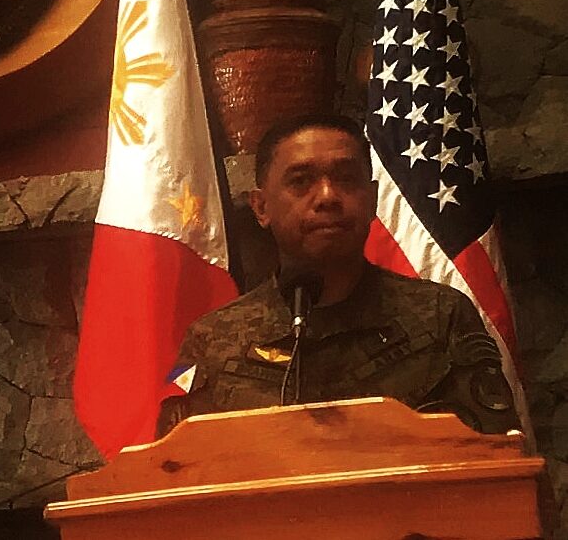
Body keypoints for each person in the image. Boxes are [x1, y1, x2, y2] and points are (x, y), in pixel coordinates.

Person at [156, 114, 518, 438]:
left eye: (347, 179)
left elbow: (494, 462)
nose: (328, 196)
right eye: (301, 181)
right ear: (261, 207)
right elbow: (177, 478)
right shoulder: (215, 340)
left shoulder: (440, 316)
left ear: (373, 199)